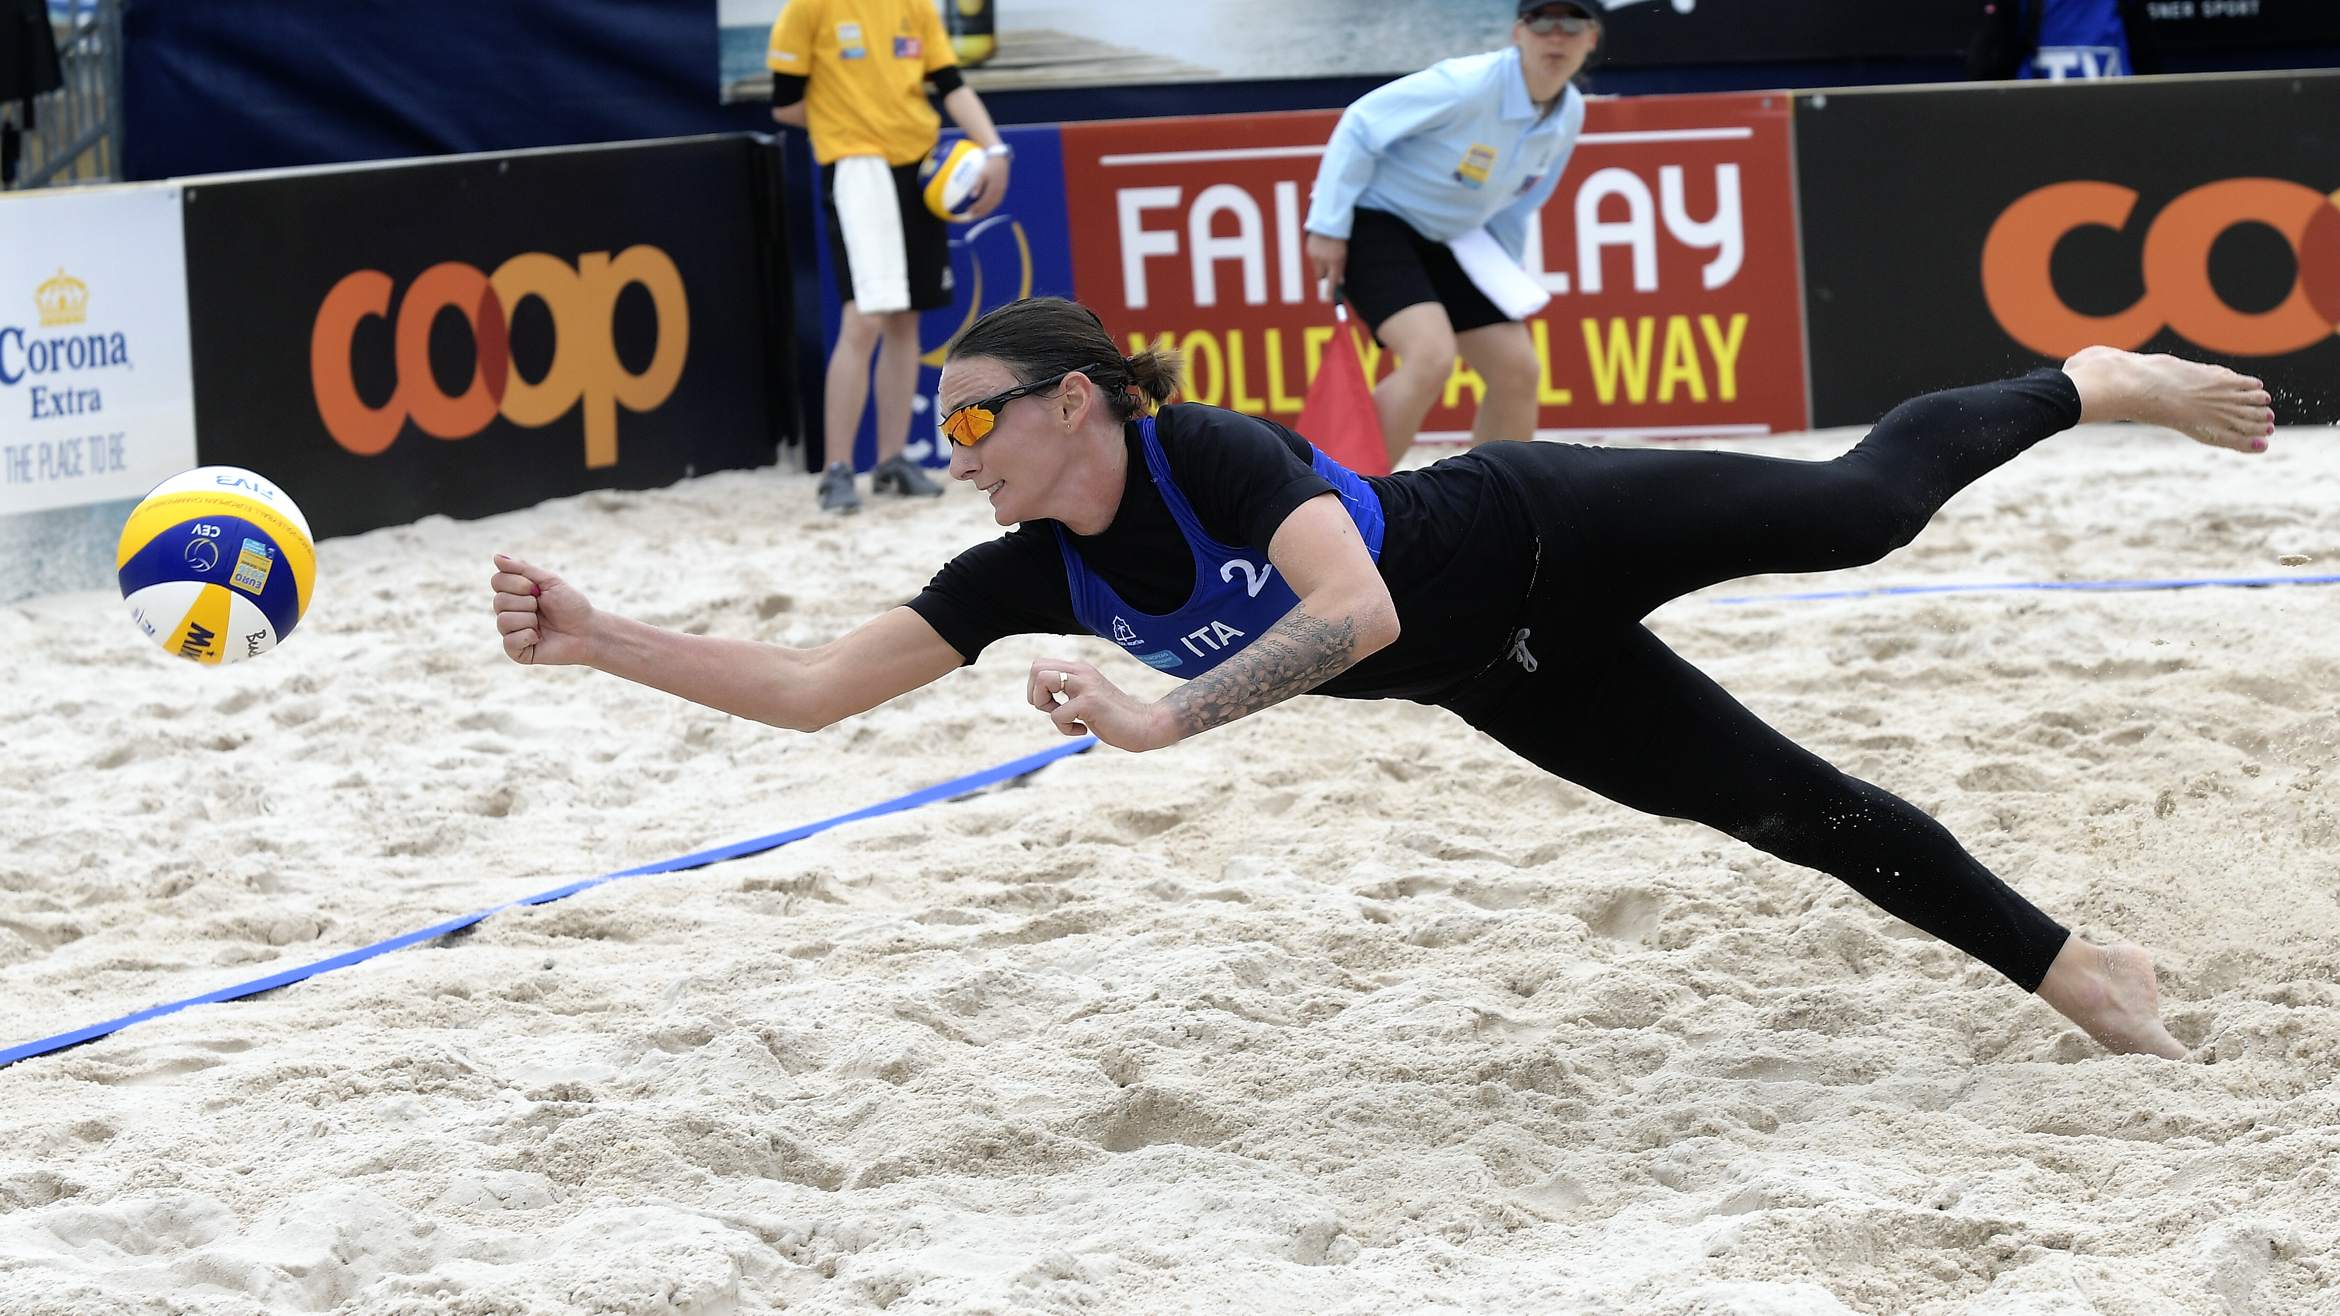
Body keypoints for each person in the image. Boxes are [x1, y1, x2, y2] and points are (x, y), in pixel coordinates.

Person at [492, 295, 2279, 1061]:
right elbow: (815, 688)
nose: (951, 452)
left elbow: (1345, 613)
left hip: (1546, 526)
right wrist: (601, 639)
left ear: (1073, 403)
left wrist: (1164, 715)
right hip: (1504, 673)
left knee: (1863, 512)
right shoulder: (1023, 569)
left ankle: (2087, 378)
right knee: (1792, 815)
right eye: (939, 428)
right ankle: (2084, 969)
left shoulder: (1209, 450)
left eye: (971, 422)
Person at [1302, 0, 1603, 469]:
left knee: (1517, 371)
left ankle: (1495, 504)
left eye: (1571, 24)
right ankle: (1340, 498)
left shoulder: (1569, 114)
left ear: (1592, 38)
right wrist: (1328, 225)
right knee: (1430, 357)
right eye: (1543, 22)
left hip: (1455, 237)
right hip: (1376, 220)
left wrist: (1499, 279)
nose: (1557, 36)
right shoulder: (1468, 85)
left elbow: (1520, 204)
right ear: (1518, 33)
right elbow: (1360, 123)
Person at [767, 0, 1014, 513]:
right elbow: (786, 105)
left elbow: (951, 84)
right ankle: (837, 469)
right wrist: (849, 118)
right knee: (864, 319)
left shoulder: (914, 6)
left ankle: (891, 462)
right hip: (859, 168)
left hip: (921, 170)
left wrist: (994, 149)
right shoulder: (809, 9)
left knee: (906, 320)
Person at [1968, 0, 2161, 81]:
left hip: (2115, 123)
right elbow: (1988, 68)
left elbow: (2148, 63)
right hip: (2037, 125)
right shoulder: (2020, 5)